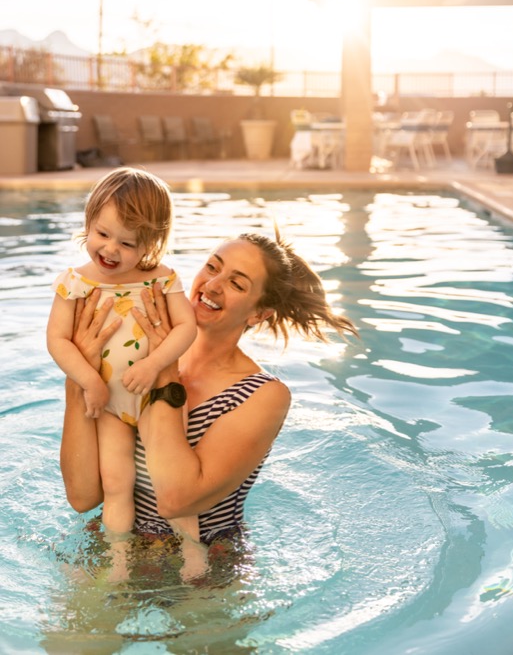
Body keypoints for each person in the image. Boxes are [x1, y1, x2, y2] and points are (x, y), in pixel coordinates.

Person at [60, 228, 358, 565]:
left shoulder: (263, 395)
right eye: (213, 267)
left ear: (258, 314)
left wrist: (165, 369)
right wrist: (79, 375)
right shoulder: (136, 354)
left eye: (237, 284)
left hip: (200, 574)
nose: (213, 285)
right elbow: (82, 496)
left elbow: (176, 500)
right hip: (111, 551)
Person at [47, 168, 199, 572]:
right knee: (117, 485)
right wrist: (90, 382)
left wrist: (153, 364)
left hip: (155, 395)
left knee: (172, 483)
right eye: (102, 233)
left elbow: (187, 327)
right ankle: (117, 563)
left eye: (127, 243)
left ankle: (194, 556)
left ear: (151, 242)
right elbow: (58, 340)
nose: (110, 249)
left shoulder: (162, 279)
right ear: (88, 221)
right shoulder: (75, 282)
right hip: (109, 404)